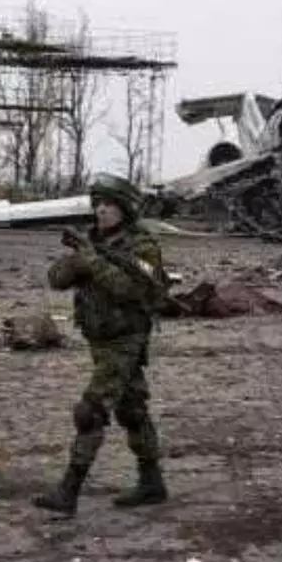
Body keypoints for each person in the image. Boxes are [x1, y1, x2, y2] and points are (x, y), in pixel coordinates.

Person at [33, 173, 170, 515]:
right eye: (98, 204)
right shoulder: (93, 240)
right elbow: (56, 280)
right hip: (100, 338)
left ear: (125, 208)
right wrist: (77, 260)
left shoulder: (142, 246)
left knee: (90, 411)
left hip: (126, 338)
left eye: (109, 205)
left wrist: (92, 261)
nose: (102, 211)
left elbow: (130, 288)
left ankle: (69, 491)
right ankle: (152, 482)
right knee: (131, 409)